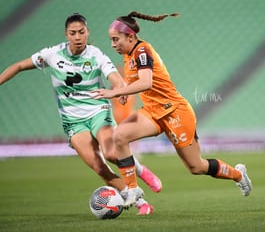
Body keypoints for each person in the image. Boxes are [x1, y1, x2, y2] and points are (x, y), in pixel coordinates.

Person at [0, 13, 161, 215]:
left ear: (87, 32)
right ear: (66, 34)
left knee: (111, 153)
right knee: (99, 167)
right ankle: (141, 203)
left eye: (81, 32)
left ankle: (141, 170)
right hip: (72, 121)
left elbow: (114, 77)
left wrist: (119, 89)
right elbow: (18, 66)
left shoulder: (95, 55)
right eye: (73, 33)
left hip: (98, 112)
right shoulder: (52, 54)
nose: (77, 37)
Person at [92, 10, 252, 208]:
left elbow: (146, 82)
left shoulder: (142, 51)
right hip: (152, 112)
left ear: (130, 36)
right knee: (119, 136)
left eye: (116, 39)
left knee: (196, 166)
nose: (113, 44)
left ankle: (238, 174)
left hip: (175, 112)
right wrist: (125, 89)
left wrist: (115, 92)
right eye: (111, 40)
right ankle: (133, 188)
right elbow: (140, 82)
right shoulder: (129, 54)